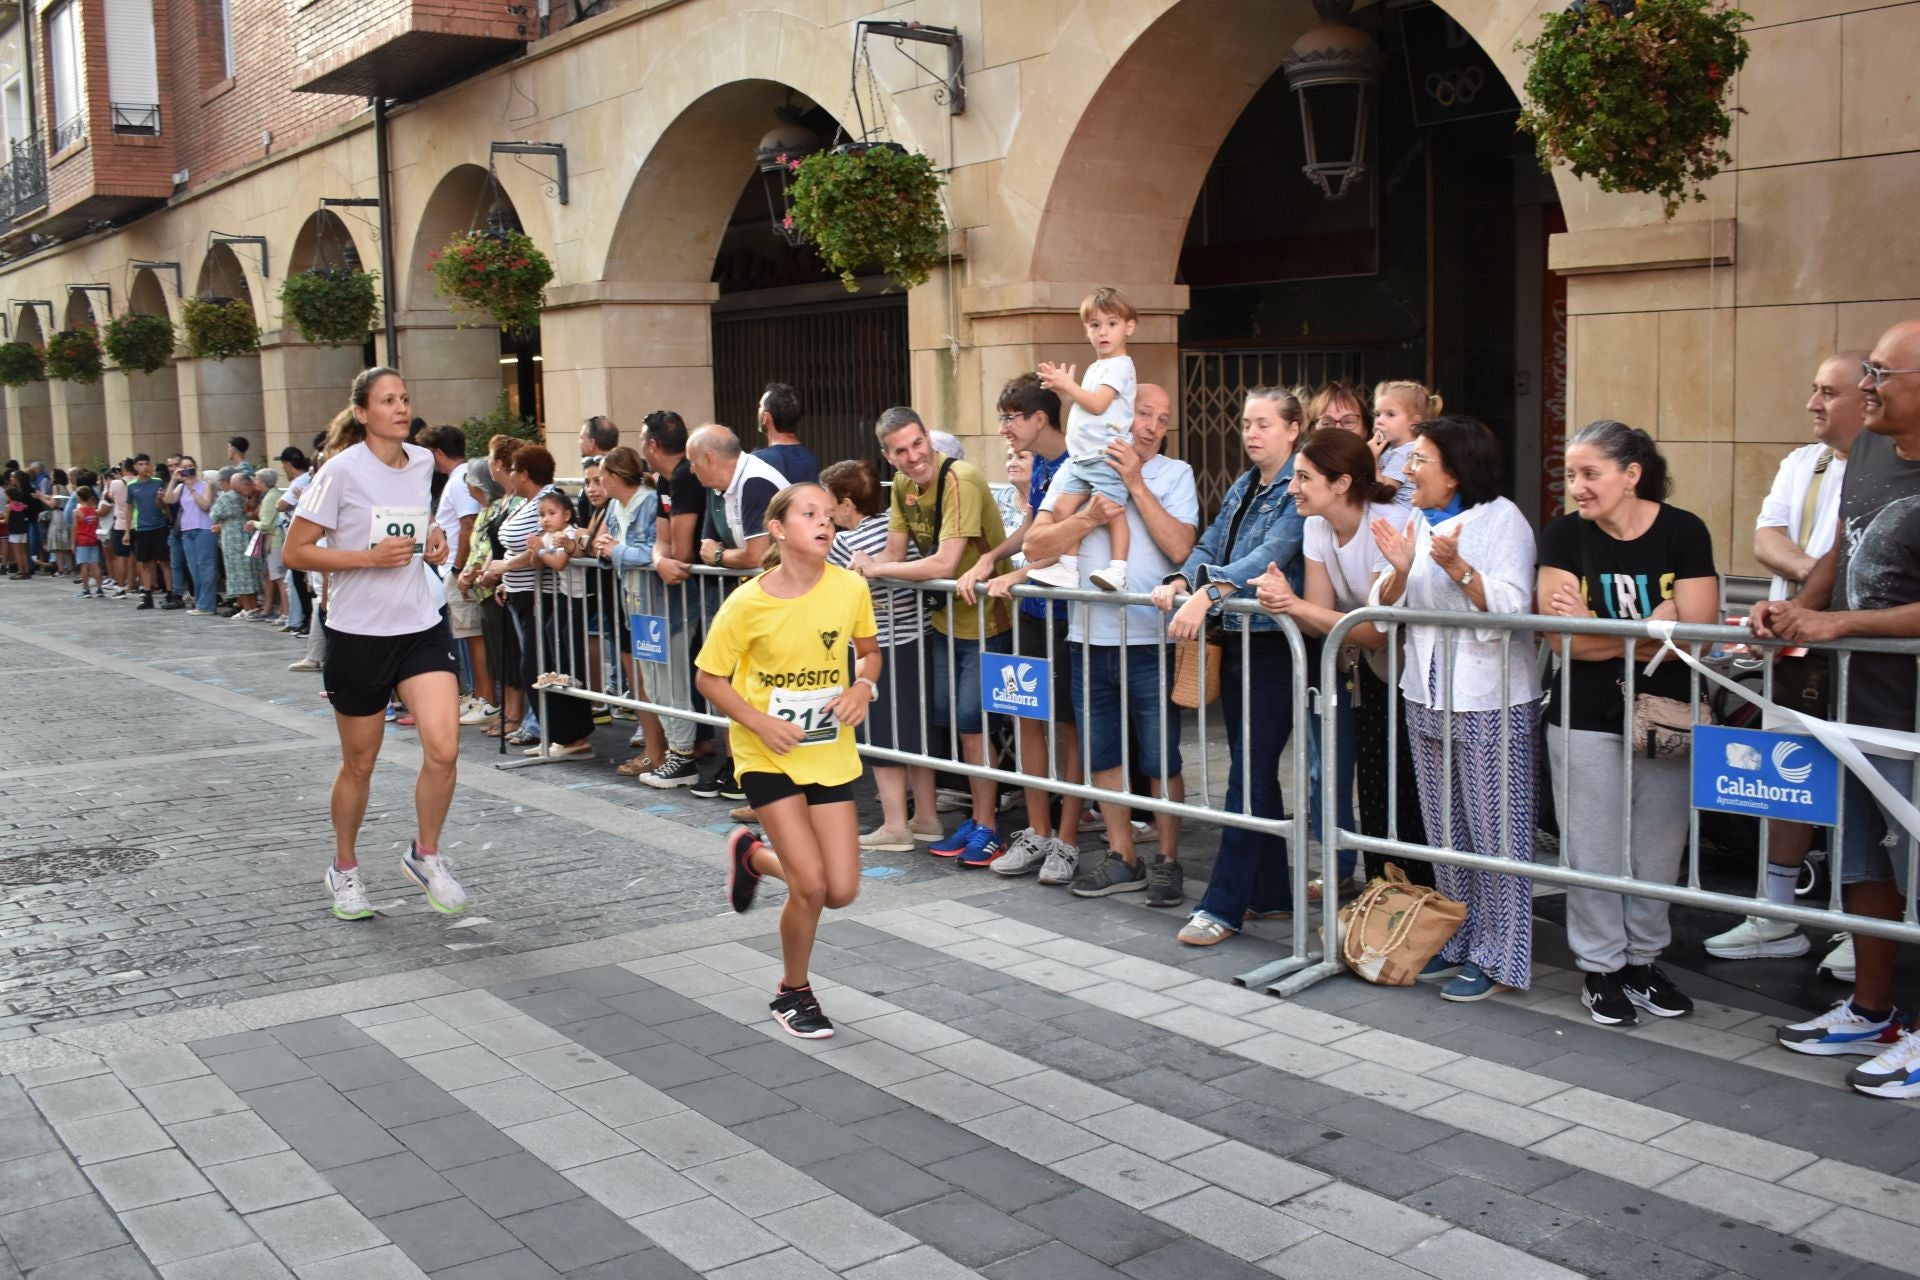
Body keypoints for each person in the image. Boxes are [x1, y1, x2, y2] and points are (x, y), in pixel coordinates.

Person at [1756, 321, 1920, 1098]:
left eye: (1883, 373)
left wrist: (1840, 623)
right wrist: (1795, 611)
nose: (1866, 386)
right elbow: (1841, 553)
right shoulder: (1866, 454)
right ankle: (1872, 1009)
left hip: (1912, 715)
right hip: (1861, 704)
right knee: (1864, 862)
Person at [1538, 421, 1717, 1025]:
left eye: (1591, 474)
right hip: (1584, 714)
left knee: (1657, 849)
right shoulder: (1564, 536)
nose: (1577, 487)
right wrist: (1653, 627)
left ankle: (1642, 962)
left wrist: (1602, 627)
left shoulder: (1683, 531)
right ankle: (1601, 969)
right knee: (1591, 850)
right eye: (1572, 475)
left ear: (1631, 474)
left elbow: (1697, 636)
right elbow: (1564, 644)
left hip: (1669, 716)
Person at [280, 367, 466, 921]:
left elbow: (418, 522)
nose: (401, 407)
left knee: (445, 748)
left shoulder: (425, 461)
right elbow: (296, 551)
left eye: (405, 398)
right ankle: (344, 868)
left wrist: (431, 536)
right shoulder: (340, 472)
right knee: (360, 763)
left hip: (418, 624)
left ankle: (425, 854)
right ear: (363, 413)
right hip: (359, 633)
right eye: (388, 400)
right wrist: (366, 557)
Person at [698, 483, 881, 1038]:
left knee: (840, 889)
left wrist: (863, 688)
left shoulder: (849, 587)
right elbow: (709, 678)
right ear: (777, 529)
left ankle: (751, 856)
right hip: (766, 754)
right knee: (811, 887)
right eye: (809, 514)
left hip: (826, 751)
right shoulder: (747, 603)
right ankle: (792, 992)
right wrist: (758, 723)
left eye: (829, 515)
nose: (824, 523)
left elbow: (869, 652)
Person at [1709, 351, 1870, 967]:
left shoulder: (1889, 470)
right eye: (1813, 389)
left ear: (1867, 397)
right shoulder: (1803, 462)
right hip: (1794, 646)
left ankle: (1867, 931)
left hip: (1863, 655)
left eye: (1829, 391)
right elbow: (1765, 538)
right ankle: (1776, 913)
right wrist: (1813, 584)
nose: (1813, 403)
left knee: (1867, 785)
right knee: (1786, 776)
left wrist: (1817, 594)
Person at [1371, 415, 1540, 1001]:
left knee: (1497, 833)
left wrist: (1459, 570)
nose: (1409, 469)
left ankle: (1501, 957)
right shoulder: (1418, 518)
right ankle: (1461, 935)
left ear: (1456, 470)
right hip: (1425, 689)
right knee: (1446, 831)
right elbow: (1383, 601)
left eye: (1421, 460)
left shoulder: (1503, 521)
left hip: (1489, 698)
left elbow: (1517, 607)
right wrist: (1397, 571)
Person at [1025, 384, 1200, 897]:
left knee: (1161, 757)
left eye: (1162, 419)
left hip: (1152, 640)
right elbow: (1036, 546)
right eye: (1143, 412)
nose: (1150, 426)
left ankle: (1167, 860)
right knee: (1103, 755)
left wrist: (1135, 484)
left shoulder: (1176, 474)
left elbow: (1180, 547)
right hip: (1086, 637)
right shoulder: (1077, 466)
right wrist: (1089, 516)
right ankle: (1123, 856)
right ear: (1121, 415)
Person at [1154, 388, 1309, 943]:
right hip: (1244, 639)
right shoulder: (1247, 484)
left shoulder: (1296, 487)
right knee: (1253, 767)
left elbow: (1273, 554)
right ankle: (1269, 894)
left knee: (1246, 773)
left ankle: (1222, 904)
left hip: (1276, 645)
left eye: (1264, 424)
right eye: (1246, 423)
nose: (1251, 433)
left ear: (1293, 429)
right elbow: (1213, 540)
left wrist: (1209, 592)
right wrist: (1182, 579)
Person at [850, 408, 1014, 867]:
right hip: (944, 622)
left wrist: (876, 568)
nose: (913, 456)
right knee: (951, 721)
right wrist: (860, 563)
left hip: (988, 621)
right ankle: (977, 819)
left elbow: (942, 565)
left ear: (929, 439)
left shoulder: (959, 477)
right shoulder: (902, 485)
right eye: (901, 450)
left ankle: (987, 826)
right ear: (888, 456)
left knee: (972, 725)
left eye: (917, 444)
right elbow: (896, 552)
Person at [1252, 427, 1407, 891]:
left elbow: (1374, 631)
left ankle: (1397, 885)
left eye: (1303, 477)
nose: (1292, 487)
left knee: (1387, 784)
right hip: (1348, 666)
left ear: (1340, 483)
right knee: (1326, 769)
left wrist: (1294, 604)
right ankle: (1341, 868)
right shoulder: (1317, 526)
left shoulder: (1389, 521)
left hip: (1403, 673)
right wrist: (1304, 608)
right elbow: (1320, 616)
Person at [958, 373, 1086, 879]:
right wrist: (991, 557)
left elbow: (1064, 541)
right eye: (1001, 419)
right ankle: (1037, 832)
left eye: (1011, 418)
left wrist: (1022, 570)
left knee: (1072, 726)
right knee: (1025, 715)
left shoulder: (1079, 461)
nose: (1004, 429)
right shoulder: (1038, 469)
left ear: (1040, 418)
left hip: (1071, 614)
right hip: (1033, 612)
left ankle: (1068, 839)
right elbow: (1034, 529)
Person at [823, 458, 940, 850]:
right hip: (920, 638)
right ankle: (927, 816)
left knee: (883, 738)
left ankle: (895, 825)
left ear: (848, 503)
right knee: (916, 736)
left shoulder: (843, 544)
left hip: (880, 647)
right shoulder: (896, 530)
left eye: (829, 503)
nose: (825, 513)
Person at [686, 424, 789, 800]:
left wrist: (719, 556)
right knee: (734, 682)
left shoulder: (756, 482)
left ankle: (763, 775)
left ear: (710, 458)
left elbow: (755, 555)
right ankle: (740, 767)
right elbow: (708, 547)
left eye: (694, 463)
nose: (692, 471)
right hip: (747, 599)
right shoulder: (717, 487)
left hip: (778, 602)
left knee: (759, 685)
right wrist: (723, 555)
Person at [1025, 288, 1137, 594]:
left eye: (1111, 324)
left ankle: (1118, 569)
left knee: (1112, 510)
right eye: (1095, 325)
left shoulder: (1120, 365)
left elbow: (1098, 403)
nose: (1103, 332)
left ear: (1129, 327)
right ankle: (1068, 567)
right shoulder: (1097, 366)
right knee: (1062, 510)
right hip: (1081, 458)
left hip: (1105, 455)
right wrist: (1065, 387)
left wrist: (1068, 386)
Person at [486, 445, 595, 756]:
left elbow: (550, 556)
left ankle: (570, 735)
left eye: (514, 471)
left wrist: (509, 565)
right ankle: (556, 734)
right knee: (538, 667)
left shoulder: (552, 501)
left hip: (547, 596)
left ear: (524, 473)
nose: (545, 518)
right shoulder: (529, 503)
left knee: (548, 666)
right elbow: (534, 552)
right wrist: (512, 570)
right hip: (525, 592)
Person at [637, 411, 708, 787]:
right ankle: (684, 751)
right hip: (674, 595)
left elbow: (680, 551)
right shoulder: (667, 480)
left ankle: (683, 756)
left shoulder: (684, 476)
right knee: (666, 671)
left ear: (651, 444)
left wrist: (664, 558)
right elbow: (663, 545)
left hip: (692, 595)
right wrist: (659, 559)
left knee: (676, 674)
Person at [594, 444, 669, 773]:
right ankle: (659, 749)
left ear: (613, 477)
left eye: (601, 477)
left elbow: (653, 551)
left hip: (654, 601)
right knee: (643, 681)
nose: (597, 484)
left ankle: (666, 751)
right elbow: (608, 542)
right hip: (629, 599)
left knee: (659, 681)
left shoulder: (649, 501)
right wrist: (603, 547)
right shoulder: (615, 506)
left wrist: (616, 551)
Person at [1371, 380, 1442, 508]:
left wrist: (1372, 458)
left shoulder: (1404, 453)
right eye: (1377, 414)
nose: (1380, 421)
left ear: (1414, 422)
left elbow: (1385, 491)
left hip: (1400, 515)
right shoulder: (1394, 449)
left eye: (1390, 414)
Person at [165, 455, 219, 615]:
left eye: (190, 466)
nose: (187, 469)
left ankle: (207, 604)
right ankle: (201, 602)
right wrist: (174, 480)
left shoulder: (204, 485)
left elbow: (205, 505)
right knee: (193, 567)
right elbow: (168, 499)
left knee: (206, 566)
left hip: (203, 529)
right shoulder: (180, 487)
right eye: (184, 467)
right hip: (187, 530)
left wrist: (192, 489)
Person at [212, 469, 263, 619]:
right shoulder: (250, 496)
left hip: (233, 540)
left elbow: (214, 515)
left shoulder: (227, 497)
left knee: (239, 575)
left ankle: (249, 608)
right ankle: (250, 607)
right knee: (247, 574)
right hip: (247, 536)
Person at [754, 382, 820, 483]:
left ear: (765, 418)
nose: (758, 410)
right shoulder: (811, 460)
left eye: (760, 406)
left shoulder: (757, 462)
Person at [124, 455, 167, 608]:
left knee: (164, 561)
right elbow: (129, 508)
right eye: (140, 464)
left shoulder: (158, 482)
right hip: (142, 528)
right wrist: (127, 531)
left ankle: (170, 593)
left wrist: (160, 499)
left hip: (159, 526)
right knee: (144, 563)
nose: (144, 467)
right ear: (135, 467)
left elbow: (163, 505)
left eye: (146, 464)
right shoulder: (131, 486)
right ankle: (147, 595)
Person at [71, 485, 102, 597]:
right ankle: (99, 589)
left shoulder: (77, 512)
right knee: (95, 564)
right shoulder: (94, 510)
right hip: (93, 539)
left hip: (82, 541)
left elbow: (74, 529)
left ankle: (86, 589)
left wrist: (73, 543)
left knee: (83, 565)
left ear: (79, 497)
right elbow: (97, 525)